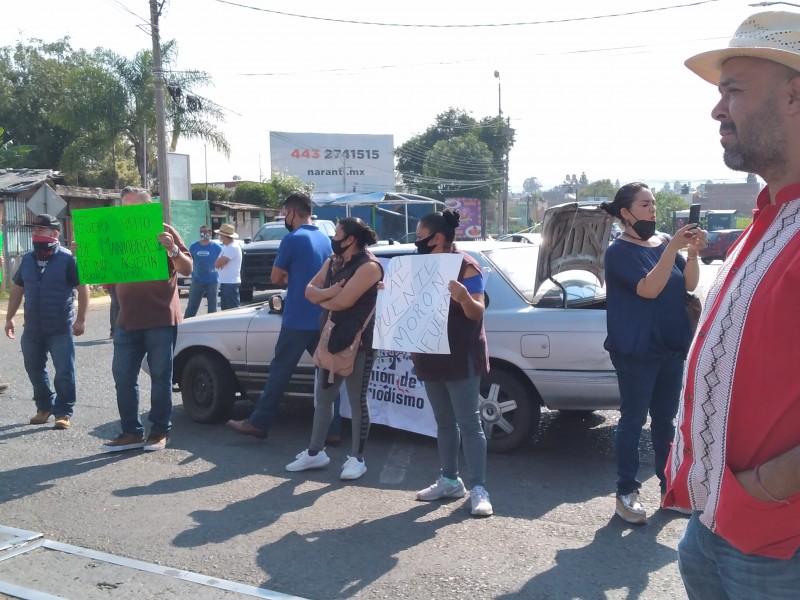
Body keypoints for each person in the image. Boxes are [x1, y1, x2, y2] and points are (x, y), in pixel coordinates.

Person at [664, 11, 800, 598]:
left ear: (795, 97)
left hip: (779, 540)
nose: (718, 111)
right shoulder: (767, 218)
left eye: (733, 91)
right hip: (716, 521)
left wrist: (770, 485)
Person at [599, 183, 705, 525]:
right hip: (636, 351)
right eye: (645, 205)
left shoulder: (662, 242)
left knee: (666, 423)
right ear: (625, 213)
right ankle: (625, 493)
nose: (653, 210)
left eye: (654, 204)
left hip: (670, 347)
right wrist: (672, 246)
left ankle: (668, 489)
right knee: (632, 421)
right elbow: (648, 288)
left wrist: (691, 253)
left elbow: (687, 284)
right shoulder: (618, 252)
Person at [227, 192, 333, 439]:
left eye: (286, 213)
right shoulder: (325, 239)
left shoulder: (292, 239)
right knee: (327, 375)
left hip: (297, 317)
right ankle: (332, 428)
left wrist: (290, 276)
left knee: (279, 373)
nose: (286, 218)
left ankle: (259, 422)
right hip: (322, 315)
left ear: (293, 213)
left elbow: (275, 278)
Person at [285, 217, 382, 480]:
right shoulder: (333, 260)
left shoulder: (370, 266)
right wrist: (332, 292)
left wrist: (326, 296)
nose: (333, 237)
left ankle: (357, 459)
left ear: (350, 239)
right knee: (324, 397)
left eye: (337, 233)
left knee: (356, 399)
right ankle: (315, 453)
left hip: (358, 343)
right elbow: (309, 291)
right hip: (329, 338)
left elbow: (343, 302)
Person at [411, 209, 493, 517]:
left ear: (438, 238)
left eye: (421, 238)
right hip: (429, 353)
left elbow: (476, 312)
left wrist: (463, 297)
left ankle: (479, 488)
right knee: (444, 422)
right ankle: (449, 479)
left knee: (469, 423)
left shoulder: (466, 267)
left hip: (461, 355)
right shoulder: (419, 266)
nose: (417, 244)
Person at [101, 186, 192, 452]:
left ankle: (160, 432)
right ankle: (131, 432)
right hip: (127, 320)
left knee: (161, 377)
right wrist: (88, 254)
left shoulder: (163, 230)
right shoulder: (116, 233)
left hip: (160, 319)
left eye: (135, 206)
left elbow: (187, 268)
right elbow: (105, 278)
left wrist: (173, 250)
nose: (130, 212)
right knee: (123, 376)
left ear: (148, 207)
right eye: (125, 206)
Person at [4, 213, 89, 429]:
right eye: (34, 230)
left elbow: (83, 289)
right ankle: (44, 407)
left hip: (60, 327)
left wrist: (80, 320)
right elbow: (17, 290)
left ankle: (63, 412)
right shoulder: (28, 259)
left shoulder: (69, 259)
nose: (36, 234)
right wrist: (10, 318)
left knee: (64, 371)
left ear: (55, 233)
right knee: (33, 367)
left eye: (40, 230)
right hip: (33, 328)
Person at [184, 224, 223, 318]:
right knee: (191, 306)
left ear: (210, 233)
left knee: (212, 308)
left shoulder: (217, 247)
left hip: (212, 281)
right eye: (202, 231)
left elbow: (222, 262)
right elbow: (189, 261)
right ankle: (185, 327)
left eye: (206, 232)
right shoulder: (193, 246)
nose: (204, 234)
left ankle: (211, 326)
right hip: (197, 280)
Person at [214, 223, 242, 310]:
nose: (219, 236)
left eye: (220, 234)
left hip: (230, 283)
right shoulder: (226, 247)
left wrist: (219, 263)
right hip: (226, 282)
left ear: (224, 236)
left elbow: (218, 263)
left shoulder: (232, 247)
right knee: (226, 311)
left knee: (233, 310)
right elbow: (218, 263)